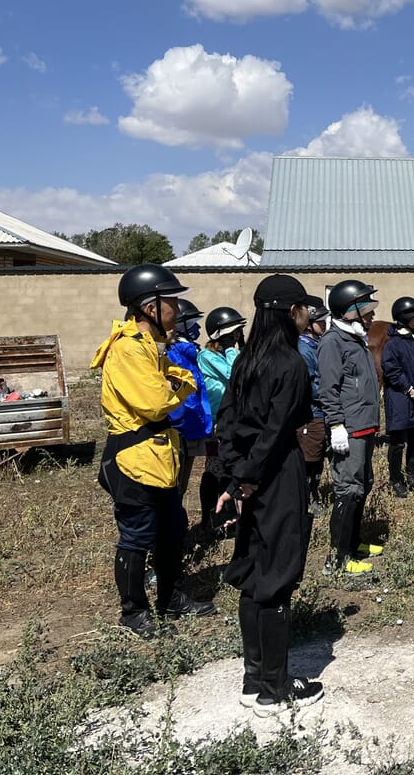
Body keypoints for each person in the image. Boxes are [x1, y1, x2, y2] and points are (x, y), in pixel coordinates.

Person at [214, 274, 324, 715]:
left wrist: (233, 478)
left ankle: (253, 677)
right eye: (303, 308)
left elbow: (226, 423)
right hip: (277, 477)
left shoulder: (245, 361)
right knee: (278, 578)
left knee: (255, 574)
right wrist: (253, 478)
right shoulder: (291, 364)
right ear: (289, 312)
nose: (307, 316)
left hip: (248, 477)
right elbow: (278, 432)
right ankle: (274, 690)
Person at [93, 264, 217, 638]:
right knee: (136, 536)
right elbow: (156, 403)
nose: (177, 311)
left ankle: (169, 599)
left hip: (158, 457)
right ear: (150, 307)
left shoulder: (150, 347)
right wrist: (180, 386)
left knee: (171, 531)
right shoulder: (129, 350)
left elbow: (173, 383)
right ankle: (133, 613)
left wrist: (176, 381)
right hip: (134, 461)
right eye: (172, 303)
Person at [318, 278, 383, 575]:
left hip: (365, 425)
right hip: (350, 429)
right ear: (349, 311)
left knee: (363, 486)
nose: (371, 314)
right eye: (366, 309)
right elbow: (328, 389)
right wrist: (336, 426)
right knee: (348, 490)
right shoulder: (333, 342)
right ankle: (338, 559)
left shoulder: (356, 338)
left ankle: (353, 544)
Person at [196, 306, 247, 536]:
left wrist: (242, 346)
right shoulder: (206, 356)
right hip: (216, 423)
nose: (235, 337)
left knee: (231, 468)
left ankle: (230, 518)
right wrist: (229, 349)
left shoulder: (229, 354)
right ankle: (209, 519)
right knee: (215, 469)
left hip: (232, 420)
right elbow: (233, 374)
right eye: (233, 333)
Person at [381, 296, 414, 498]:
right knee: (398, 442)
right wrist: (411, 391)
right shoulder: (393, 344)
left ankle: (411, 475)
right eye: (413, 316)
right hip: (400, 399)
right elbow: (392, 371)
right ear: (402, 318)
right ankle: (396, 480)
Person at [167, 299, 213, 500]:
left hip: (193, 424)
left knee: (182, 483)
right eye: (192, 322)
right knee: (174, 482)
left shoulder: (192, 352)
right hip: (181, 426)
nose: (197, 327)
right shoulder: (173, 353)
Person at [297, 298, 330, 510]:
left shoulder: (316, 345)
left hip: (321, 410)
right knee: (309, 459)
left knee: (318, 458)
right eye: (321, 321)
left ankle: (313, 496)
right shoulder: (304, 349)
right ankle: (306, 500)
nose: (325, 325)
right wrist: (330, 395)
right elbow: (310, 385)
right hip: (312, 413)